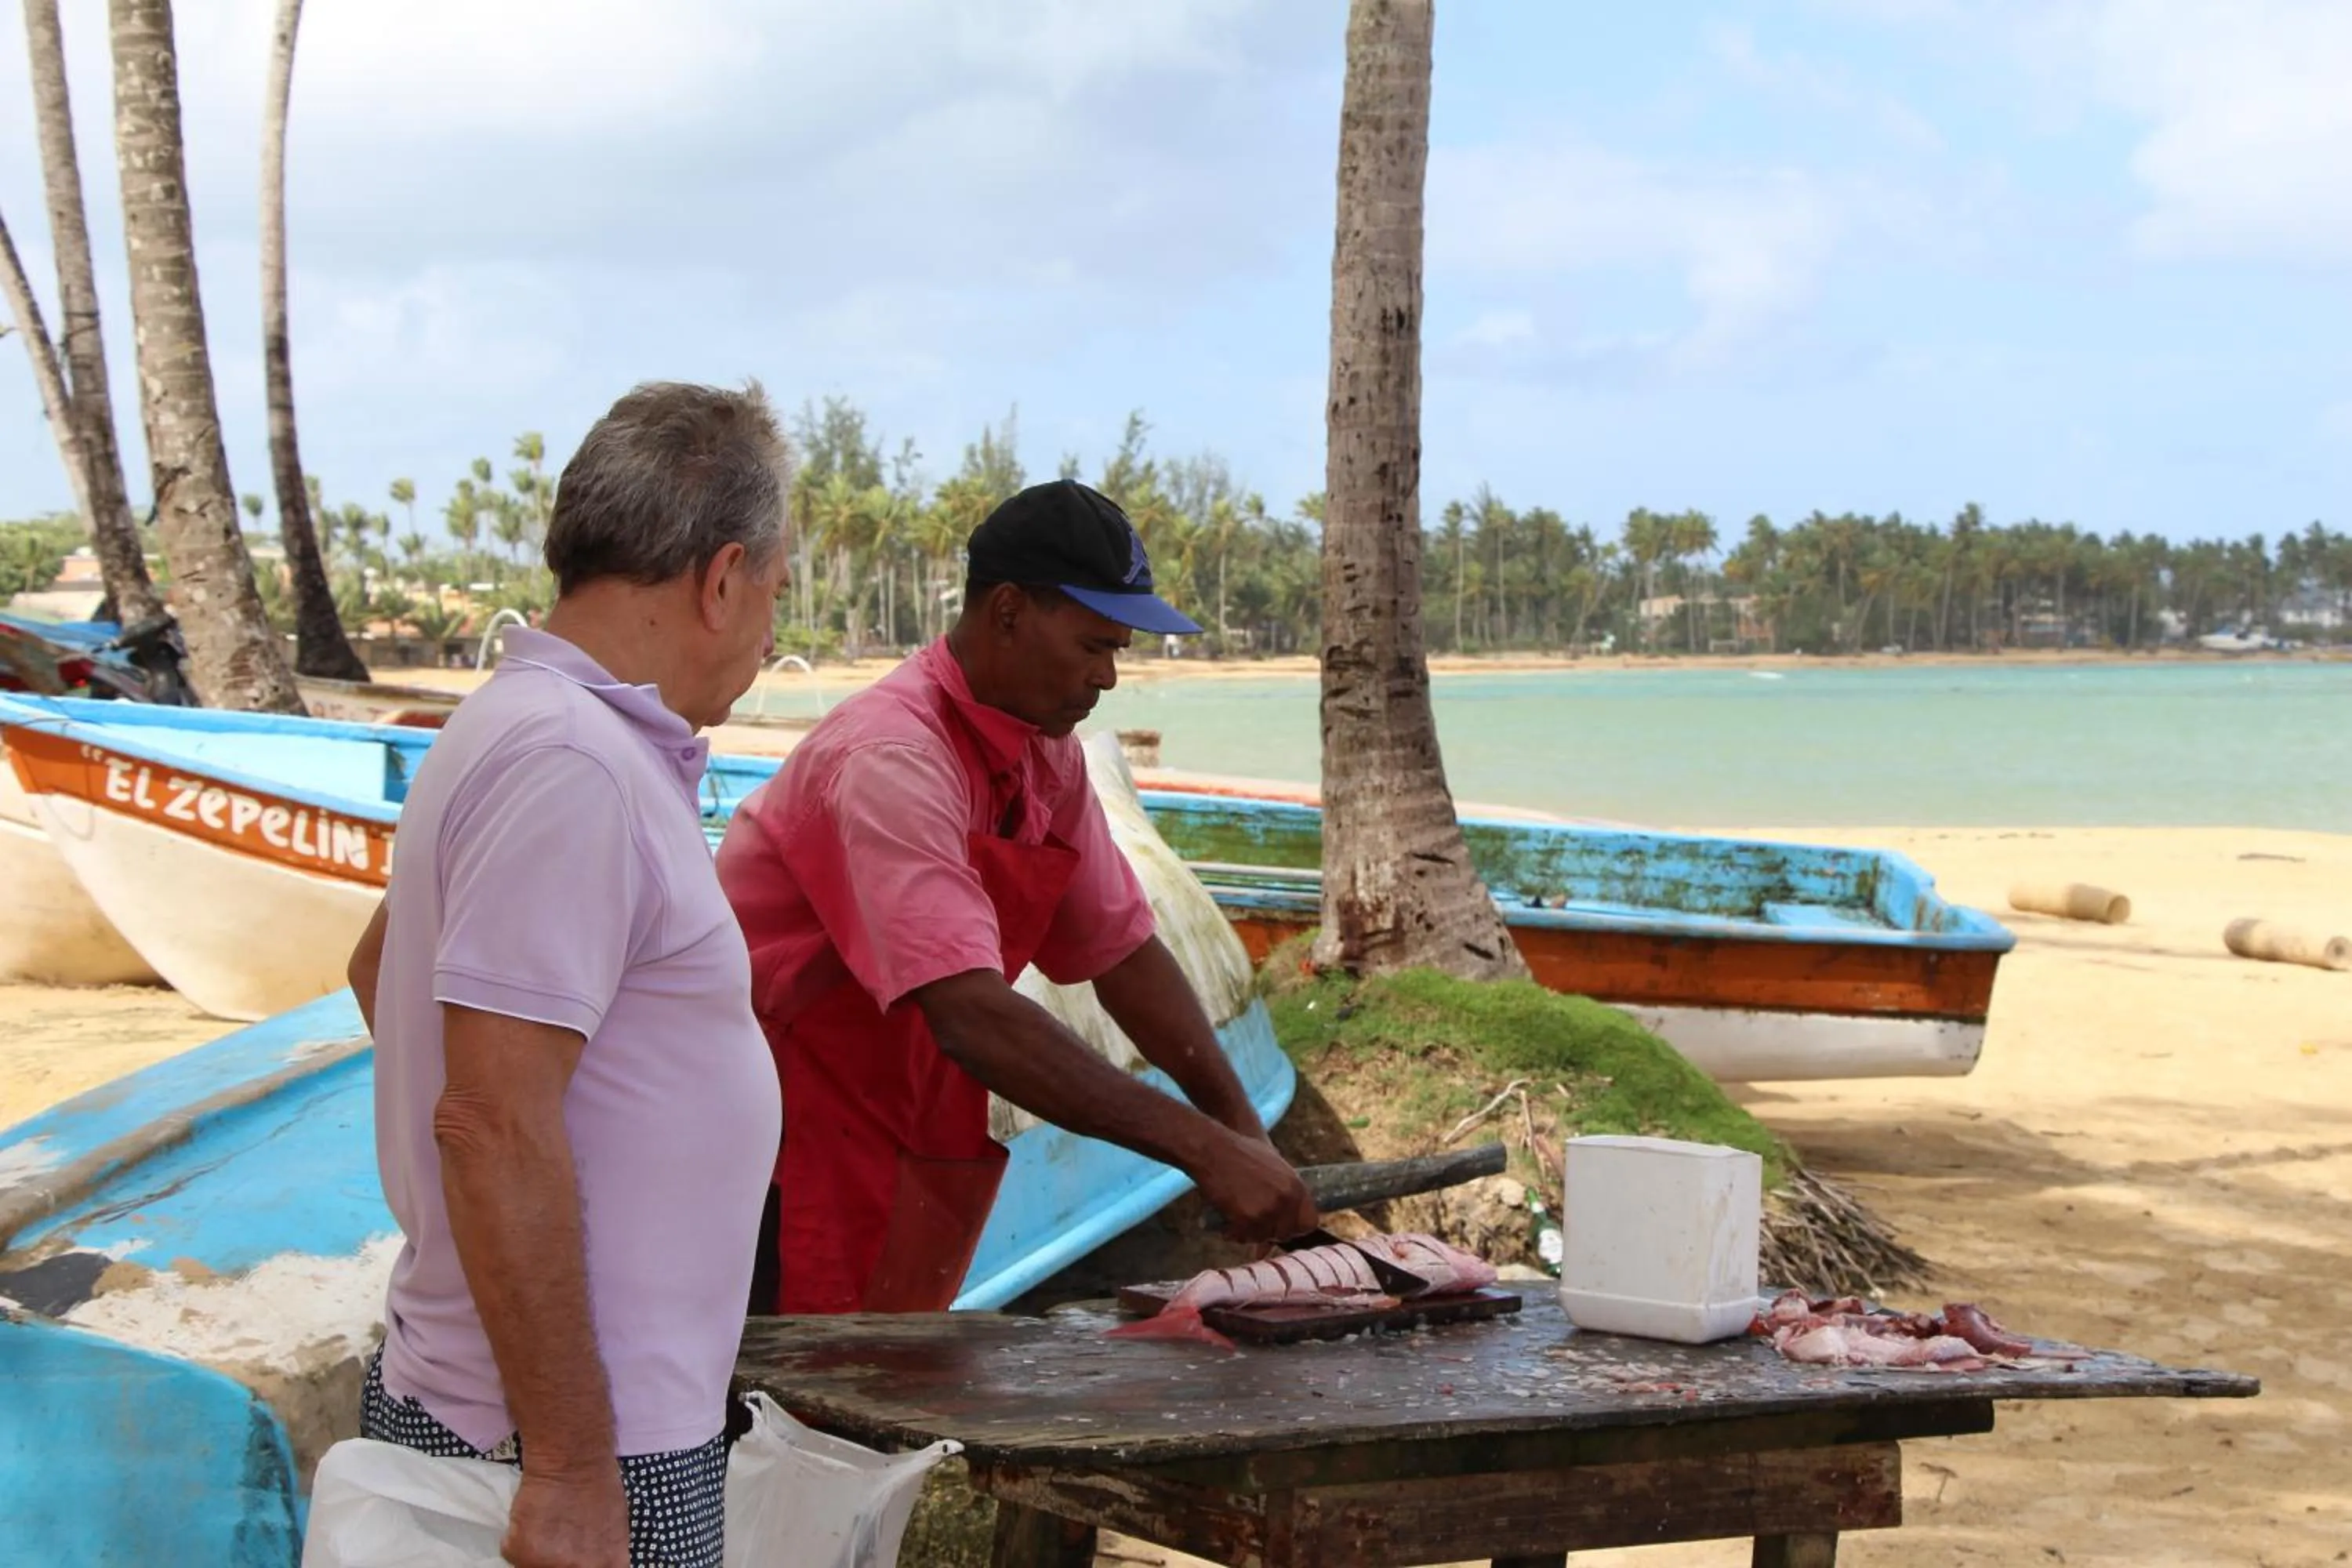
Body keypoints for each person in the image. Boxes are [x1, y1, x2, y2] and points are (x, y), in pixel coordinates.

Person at [343, 380, 790, 1568]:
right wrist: (572, 1464)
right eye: (774, 597)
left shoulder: (530, 726)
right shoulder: (570, 762)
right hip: (570, 1438)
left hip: (561, 1413)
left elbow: (380, 967)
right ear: (721, 578)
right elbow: (490, 1118)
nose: (766, 638)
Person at [715, 478, 1319, 1317]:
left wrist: (1245, 1132)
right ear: (1006, 611)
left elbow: (1123, 951)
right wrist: (1200, 1147)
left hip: (903, 1119)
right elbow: (970, 1012)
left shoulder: (1047, 752)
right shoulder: (893, 755)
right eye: (1091, 645)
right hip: (775, 1136)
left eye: (1120, 650)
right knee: (772, 1416)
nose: (1107, 677)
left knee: (877, 1402)